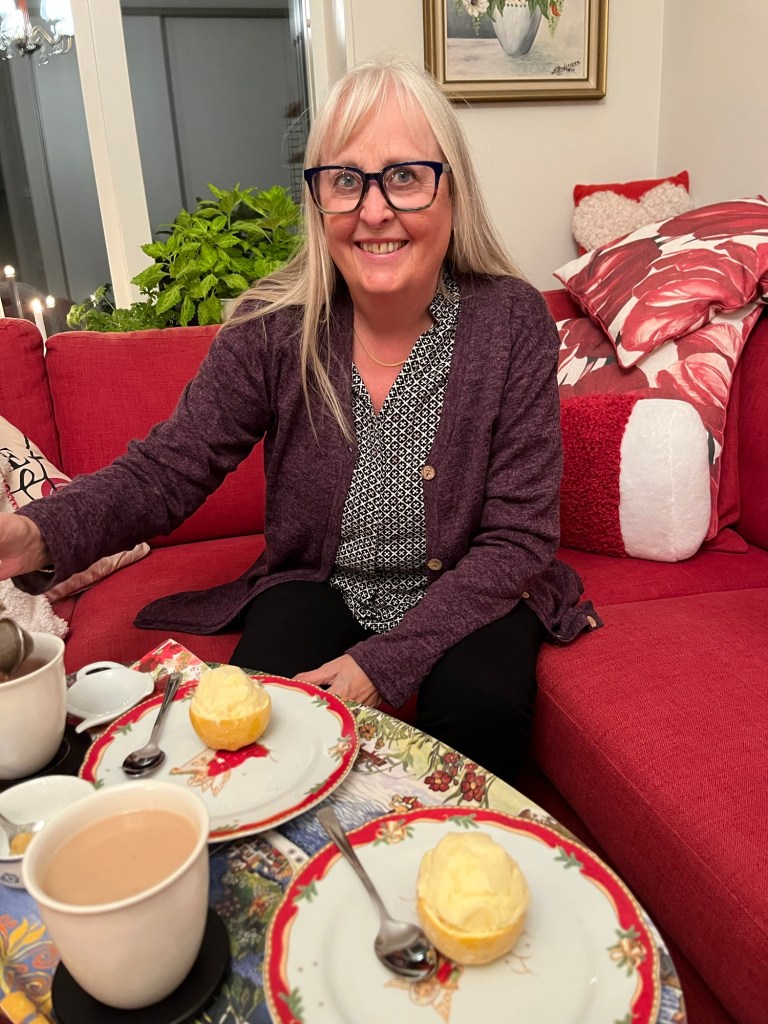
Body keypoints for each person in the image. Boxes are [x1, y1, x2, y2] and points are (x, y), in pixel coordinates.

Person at [0, 56, 599, 783]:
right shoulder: (273, 327)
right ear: (317, 201)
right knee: (265, 733)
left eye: (405, 176)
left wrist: (383, 663)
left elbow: (520, 538)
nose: (373, 211)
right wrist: (34, 534)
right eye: (345, 181)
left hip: (473, 585)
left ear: (453, 189)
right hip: (319, 581)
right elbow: (169, 468)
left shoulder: (511, 320)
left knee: (482, 706)